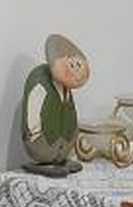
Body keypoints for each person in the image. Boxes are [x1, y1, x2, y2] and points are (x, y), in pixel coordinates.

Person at [21, 34, 89, 175]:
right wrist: (35, 136)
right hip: (44, 141)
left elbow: (71, 112)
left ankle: (59, 159)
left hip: (63, 143)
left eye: (78, 65)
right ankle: (49, 161)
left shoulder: (66, 87)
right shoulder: (40, 82)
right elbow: (33, 114)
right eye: (72, 65)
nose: (76, 71)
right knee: (45, 151)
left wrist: (72, 133)